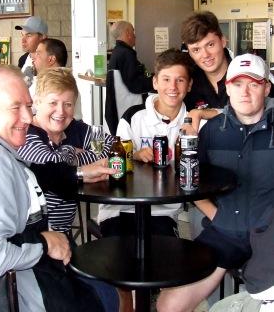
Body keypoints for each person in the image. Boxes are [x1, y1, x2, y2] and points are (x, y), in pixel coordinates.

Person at [0, 64, 127, 312]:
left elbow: (45, 171)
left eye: (28, 106)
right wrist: (45, 244)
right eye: (15, 107)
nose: (27, 117)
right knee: (110, 293)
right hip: (15, 293)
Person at [156, 53, 274, 312]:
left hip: (269, 232)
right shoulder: (211, 131)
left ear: (266, 88)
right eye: (238, 84)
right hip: (225, 231)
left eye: (254, 84)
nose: (245, 92)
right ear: (227, 88)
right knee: (168, 305)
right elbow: (189, 180)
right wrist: (217, 215)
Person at [99, 48, 193, 238]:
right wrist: (134, 154)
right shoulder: (133, 116)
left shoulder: (194, 122)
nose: (172, 87)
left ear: (189, 85)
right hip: (121, 208)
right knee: (119, 259)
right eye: (166, 79)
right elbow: (113, 160)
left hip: (163, 212)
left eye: (180, 80)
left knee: (164, 261)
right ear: (155, 82)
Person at [18, 67, 113, 236]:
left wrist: (74, 157)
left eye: (68, 104)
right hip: (38, 236)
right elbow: (53, 170)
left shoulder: (74, 128)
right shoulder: (28, 135)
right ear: (37, 102)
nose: (61, 112)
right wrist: (69, 151)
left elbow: (111, 145)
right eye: (53, 103)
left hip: (63, 233)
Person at [106, 20, 153, 134]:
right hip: (127, 108)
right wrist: (155, 81)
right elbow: (135, 85)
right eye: (133, 31)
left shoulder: (117, 53)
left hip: (116, 108)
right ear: (128, 33)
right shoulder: (127, 54)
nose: (135, 35)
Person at [15, 16, 48, 86]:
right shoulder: (22, 59)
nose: (23, 40)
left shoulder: (48, 61)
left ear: (43, 37)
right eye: (22, 35)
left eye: (29, 35)